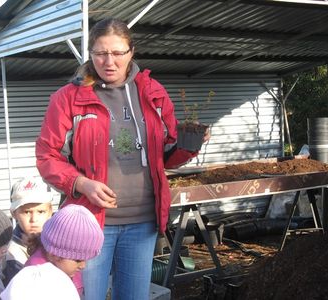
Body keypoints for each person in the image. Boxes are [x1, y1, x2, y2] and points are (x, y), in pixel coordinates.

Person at [35, 17, 209, 300]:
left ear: (131, 52)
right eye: (101, 53)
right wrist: (81, 183)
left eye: (118, 53)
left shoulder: (153, 93)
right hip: (89, 223)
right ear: (90, 54)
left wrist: (189, 145)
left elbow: (166, 156)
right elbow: (47, 156)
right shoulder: (68, 99)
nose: (109, 61)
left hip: (142, 224)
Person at [0, 204, 104, 300]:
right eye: (78, 260)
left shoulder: (61, 265)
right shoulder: (36, 282)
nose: (83, 265)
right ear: (55, 254)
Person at [2, 177, 53, 285]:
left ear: (50, 212)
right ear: (14, 213)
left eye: (41, 211)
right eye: (27, 212)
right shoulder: (12, 253)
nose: (34, 219)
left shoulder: (59, 241)